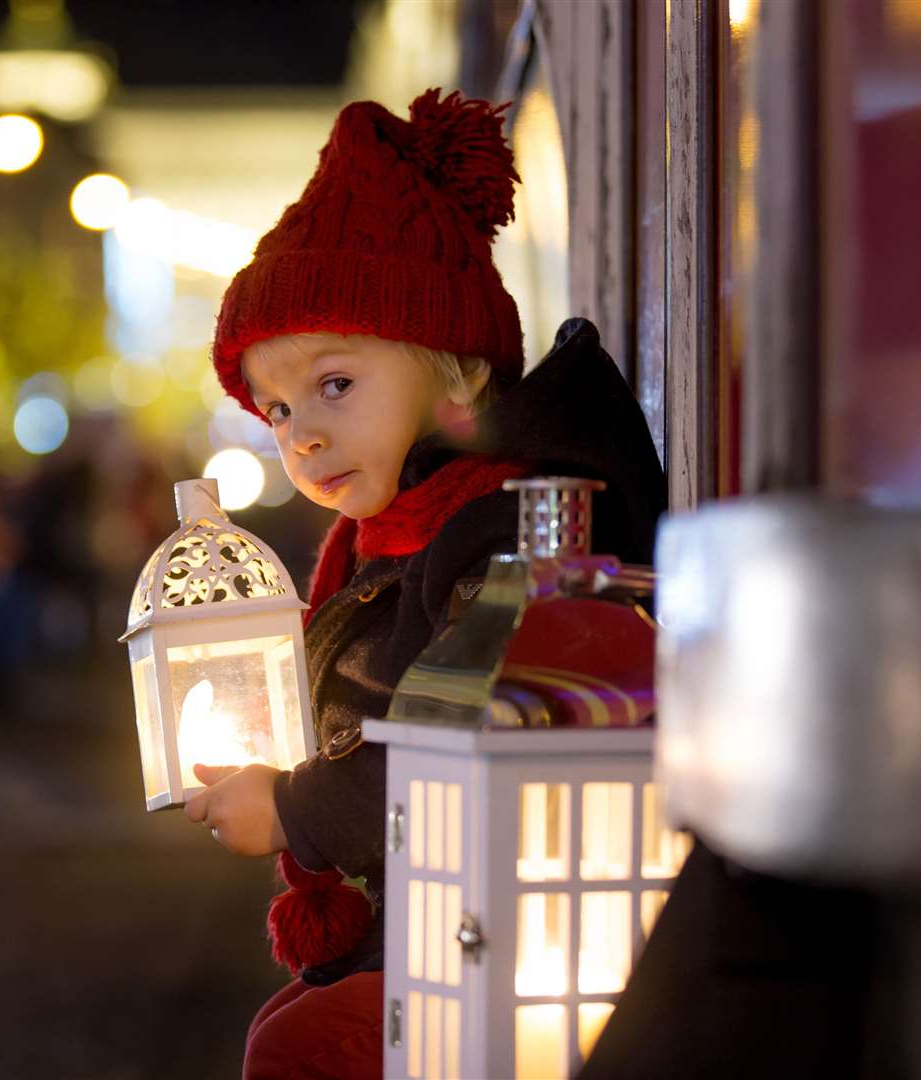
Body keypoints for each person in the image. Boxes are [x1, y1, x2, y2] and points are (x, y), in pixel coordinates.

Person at [184, 88, 667, 1079]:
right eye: (274, 410)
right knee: (291, 1028)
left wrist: (293, 811)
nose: (301, 433)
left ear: (453, 372)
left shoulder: (498, 526)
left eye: (334, 385)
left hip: (506, 937)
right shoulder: (390, 535)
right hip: (434, 920)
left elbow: (449, 733)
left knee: (303, 1047)